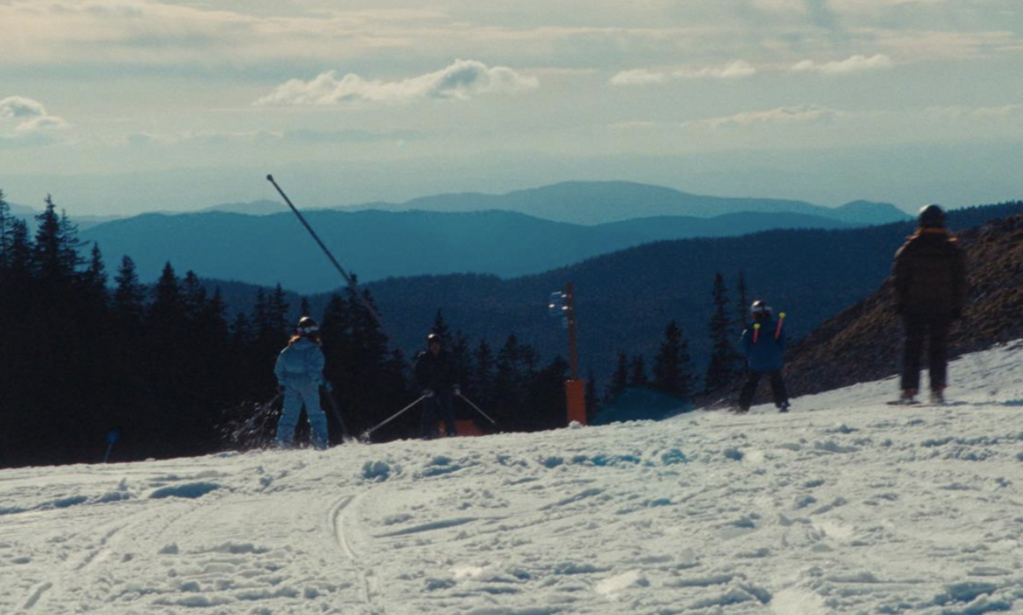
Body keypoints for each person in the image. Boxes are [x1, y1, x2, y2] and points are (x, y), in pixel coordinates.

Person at [892, 204, 967, 404]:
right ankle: (937, 390)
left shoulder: (910, 248)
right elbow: (959, 282)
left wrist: (900, 303)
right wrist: (957, 307)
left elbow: (899, 280)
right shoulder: (952, 250)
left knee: (912, 349)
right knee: (938, 349)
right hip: (942, 307)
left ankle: (909, 391)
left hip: (913, 307)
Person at [273, 316, 330, 449]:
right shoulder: (314, 350)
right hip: (308, 384)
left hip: (290, 384)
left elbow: (279, 367)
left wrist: (281, 383)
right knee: (315, 413)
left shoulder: (289, 349)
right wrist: (322, 382)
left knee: (289, 414)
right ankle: (320, 441)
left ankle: (283, 442)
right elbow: (315, 369)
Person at [737, 300, 790, 413]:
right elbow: (782, 343)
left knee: (751, 383)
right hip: (774, 359)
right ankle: (782, 403)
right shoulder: (776, 326)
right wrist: (777, 354)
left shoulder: (751, 328)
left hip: (756, 360)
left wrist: (751, 355)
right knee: (777, 381)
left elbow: (745, 345)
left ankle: (743, 407)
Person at [414, 332, 459, 439]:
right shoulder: (424, 357)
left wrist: (456, 385)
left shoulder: (447, 356)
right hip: (429, 388)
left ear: (440, 344)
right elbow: (418, 375)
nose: (434, 346)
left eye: (436, 344)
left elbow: (454, 372)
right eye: (432, 344)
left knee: (448, 410)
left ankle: (451, 432)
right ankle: (426, 434)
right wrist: (424, 388)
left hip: (445, 387)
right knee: (428, 412)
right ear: (429, 346)